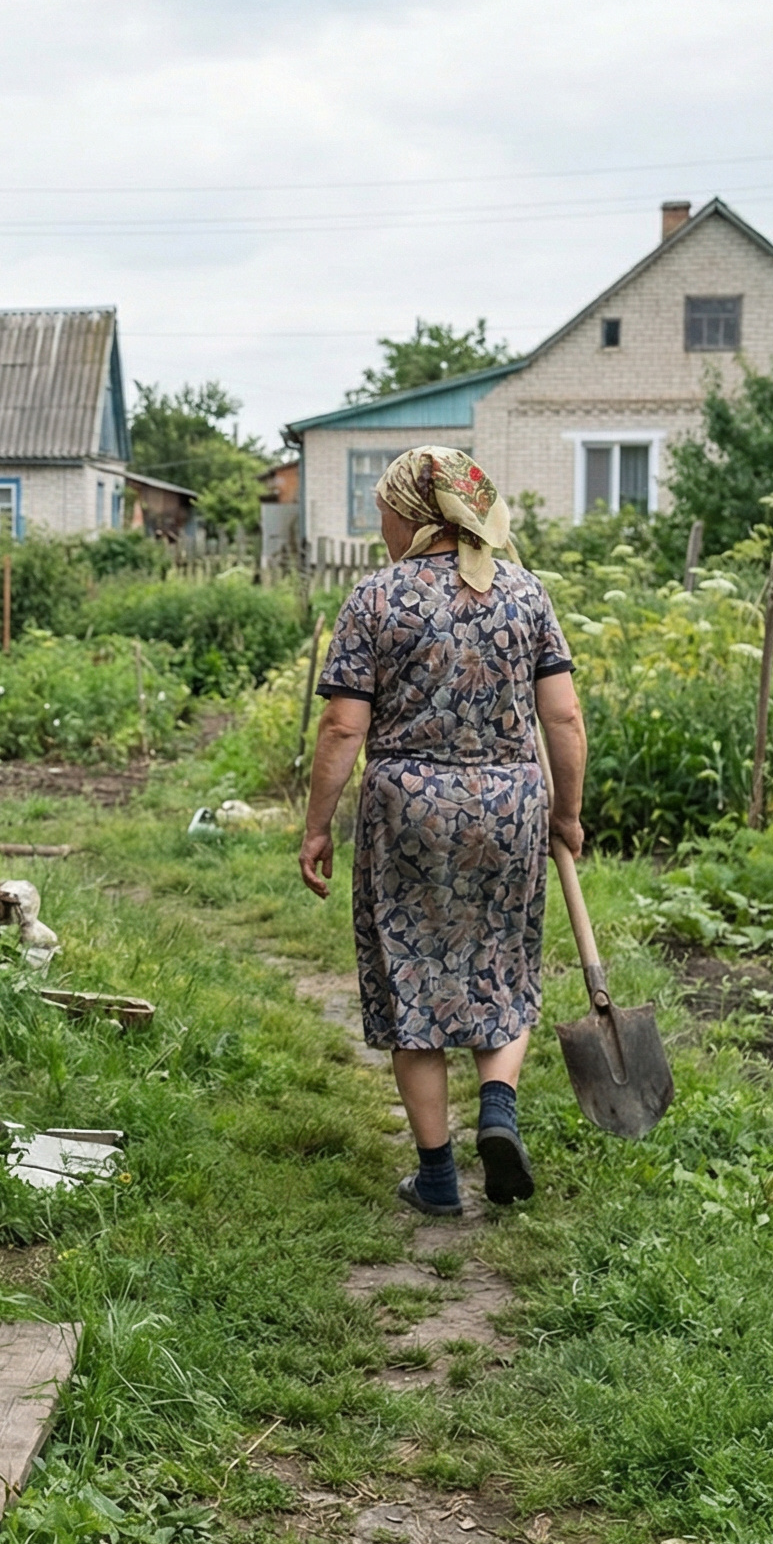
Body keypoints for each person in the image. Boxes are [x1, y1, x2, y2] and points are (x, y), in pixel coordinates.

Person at [298, 446, 587, 1216]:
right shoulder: (526, 593)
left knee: (411, 973)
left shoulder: (376, 598)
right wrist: (566, 813)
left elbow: (340, 727)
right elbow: (562, 715)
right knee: (503, 961)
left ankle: (436, 1178)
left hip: (407, 810)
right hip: (509, 805)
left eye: (386, 511)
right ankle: (498, 1108)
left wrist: (318, 826)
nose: (382, 526)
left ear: (413, 513)